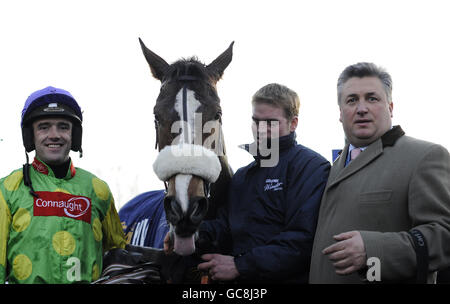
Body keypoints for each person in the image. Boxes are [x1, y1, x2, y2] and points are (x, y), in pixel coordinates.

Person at [165, 83, 330, 283]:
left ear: (293, 123)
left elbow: (302, 241)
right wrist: (191, 233)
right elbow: (225, 227)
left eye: (270, 123)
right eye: (256, 121)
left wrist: (240, 266)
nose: (261, 130)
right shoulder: (243, 176)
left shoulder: (312, 167)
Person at [309, 62, 450, 283]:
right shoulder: (331, 167)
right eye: (352, 100)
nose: (362, 108)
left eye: (372, 98)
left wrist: (374, 250)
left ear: (390, 107)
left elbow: (444, 236)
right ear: (340, 113)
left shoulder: (425, 155)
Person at [0, 86, 126, 284]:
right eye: (44, 127)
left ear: (74, 135)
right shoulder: (6, 189)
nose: (54, 135)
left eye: (63, 126)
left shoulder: (98, 189)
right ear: (30, 136)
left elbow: (120, 258)